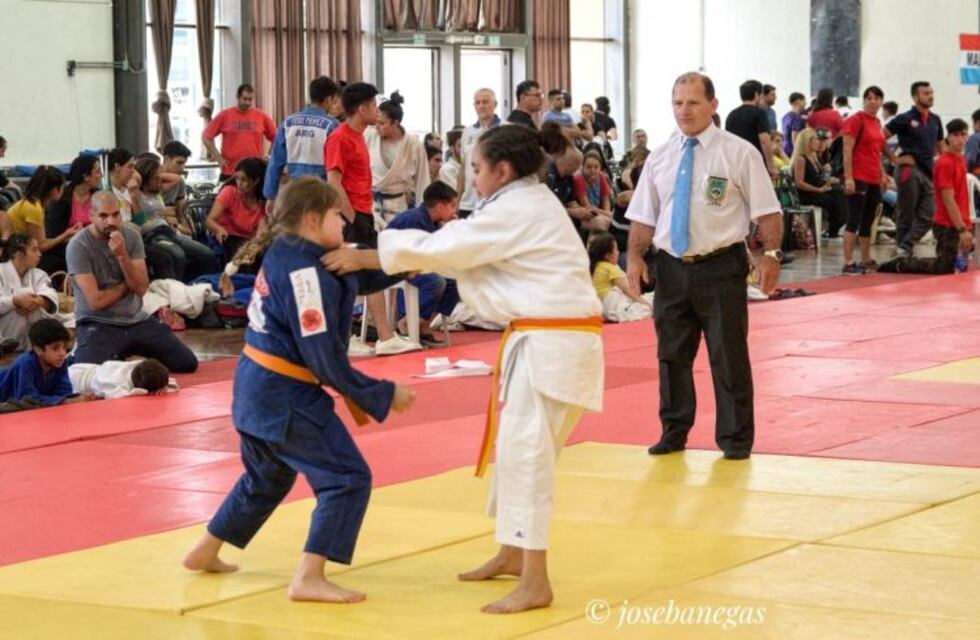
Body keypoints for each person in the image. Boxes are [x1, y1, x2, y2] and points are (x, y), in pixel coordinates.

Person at [323, 125, 604, 615]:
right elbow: (463, 252)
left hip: (553, 344)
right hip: (546, 340)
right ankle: (515, 553)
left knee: (527, 456)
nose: (472, 177)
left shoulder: (521, 207)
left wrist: (370, 255)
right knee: (519, 451)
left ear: (503, 169)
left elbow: (453, 248)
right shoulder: (519, 205)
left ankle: (536, 579)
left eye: (476, 168)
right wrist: (397, 258)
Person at [181, 176, 416, 604]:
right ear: (311, 218)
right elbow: (324, 360)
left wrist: (403, 264)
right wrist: (380, 393)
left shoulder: (291, 251)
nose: (345, 222)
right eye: (335, 215)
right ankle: (309, 575)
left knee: (266, 477)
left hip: (255, 387)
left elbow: (349, 275)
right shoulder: (307, 276)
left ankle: (206, 548)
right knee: (347, 477)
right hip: (284, 394)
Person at [626, 71, 782, 461]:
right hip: (671, 267)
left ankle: (735, 439)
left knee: (727, 354)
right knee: (671, 354)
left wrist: (771, 255)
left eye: (693, 102)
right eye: (678, 103)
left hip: (720, 265)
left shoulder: (738, 152)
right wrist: (633, 256)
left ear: (713, 105)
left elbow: (768, 211)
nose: (684, 110)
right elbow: (645, 215)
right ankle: (673, 430)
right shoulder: (660, 156)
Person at [326, 82, 419, 357]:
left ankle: (384, 336)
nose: (377, 112)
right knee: (352, 277)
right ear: (363, 108)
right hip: (348, 216)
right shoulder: (340, 136)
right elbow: (333, 181)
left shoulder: (360, 136)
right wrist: (351, 218)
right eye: (374, 106)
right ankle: (347, 337)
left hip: (364, 213)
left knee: (370, 276)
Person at [66, 191, 198, 373]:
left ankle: (125, 352)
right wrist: (126, 285)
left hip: (136, 319)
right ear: (91, 216)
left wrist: (122, 255)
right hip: (97, 322)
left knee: (187, 363)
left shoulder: (131, 236)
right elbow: (96, 302)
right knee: (88, 372)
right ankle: (84, 353)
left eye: (115, 214)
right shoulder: (78, 245)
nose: (110, 222)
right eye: (103, 216)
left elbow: (142, 288)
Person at [879, 120, 973, 275]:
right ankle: (902, 263)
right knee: (944, 268)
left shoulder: (961, 160)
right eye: (956, 135)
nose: (960, 140)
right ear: (947, 138)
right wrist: (961, 228)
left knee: (961, 266)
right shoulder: (944, 163)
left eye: (963, 135)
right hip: (946, 223)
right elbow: (948, 200)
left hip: (962, 220)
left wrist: (966, 225)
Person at [384, 181, 461, 344]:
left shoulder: (434, 222)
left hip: (418, 264)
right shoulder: (413, 218)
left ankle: (424, 323)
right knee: (436, 281)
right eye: (452, 206)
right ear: (440, 207)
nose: (455, 211)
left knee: (456, 280)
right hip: (397, 265)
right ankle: (405, 321)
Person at [883, 81, 945, 257]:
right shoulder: (905, 118)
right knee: (906, 213)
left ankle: (905, 245)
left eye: (931, 92)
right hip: (909, 170)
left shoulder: (935, 119)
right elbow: (879, 137)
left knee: (929, 213)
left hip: (928, 171)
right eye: (926, 93)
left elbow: (942, 147)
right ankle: (904, 251)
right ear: (916, 96)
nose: (930, 96)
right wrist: (894, 158)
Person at [135, 157, 219, 281]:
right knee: (178, 255)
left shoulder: (157, 192)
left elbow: (177, 178)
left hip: (169, 231)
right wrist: (142, 177)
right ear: (145, 178)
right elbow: (139, 220)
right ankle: (176, 290)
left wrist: (157, 173)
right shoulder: (136, 195)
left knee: (207, 254)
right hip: (152, 235)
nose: (159, 181)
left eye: (160, 177)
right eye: (155, 178)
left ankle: (196, 284)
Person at [262, 76, 341, 208]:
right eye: (334, 100)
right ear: (328, 99)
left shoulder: (288, 123)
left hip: (295, 192)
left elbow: (275, 162)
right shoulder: (332, 126)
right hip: (322, 193)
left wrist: (270, 195)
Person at [841, 86, 894, 274]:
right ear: (864, 100)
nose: (873, 101)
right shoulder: (855, 120)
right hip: (858, 176)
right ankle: (848, 262)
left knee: (868, 220)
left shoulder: (877, 122)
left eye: (877, 98)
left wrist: (883, 174)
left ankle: (865, 258)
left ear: (881, 102)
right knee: (853, 219)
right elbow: (847, 150)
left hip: (873, 177)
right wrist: (848, 178)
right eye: (869, 98)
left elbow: (876, 152)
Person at [0, 234, 71, 351]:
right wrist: (15, 301)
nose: (39, 254)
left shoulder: (39, 274)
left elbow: (49, 294)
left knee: (74, 318)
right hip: (6, 328)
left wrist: (37, 301)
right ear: (19, 254)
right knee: (24, 295)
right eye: (34, 250)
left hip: (31, 331)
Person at [366, 91, 430, 220]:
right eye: (376, 122)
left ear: (395, 123)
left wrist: (421, 214)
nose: (377, 127)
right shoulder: (369, 136)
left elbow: (422, 181)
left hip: (398, 206)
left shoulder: (413, 145)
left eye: (382, 123)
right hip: (371, 204)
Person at [202, 84, 277, 182]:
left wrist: (269, 156)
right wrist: (218, 157)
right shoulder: (225, 115)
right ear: (237, 97)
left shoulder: (261, 116)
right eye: (244, 99)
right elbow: (206, 137)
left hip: (254, 172)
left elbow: (276, 137)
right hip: (230, 172)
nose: (247, 102)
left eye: (250, 100)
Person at [42, 155, 101, 274]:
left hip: (96, 241)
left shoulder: (98, 196)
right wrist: (72, 235)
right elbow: (54, 236)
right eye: (97, 172)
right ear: (86, 177)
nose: (101, 175)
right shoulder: (63, 199)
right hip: (68, 246)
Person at [0, 318, 79, 406]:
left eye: (65, 347)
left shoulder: (60, 361)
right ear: (38, 349)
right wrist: (65, 401)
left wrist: (79, 398)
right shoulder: (25, 362)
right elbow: (28, 398)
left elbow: (64, 393)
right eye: (55, 348)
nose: (62, 353)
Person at [207, 157, 268, 263]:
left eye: (243, 179)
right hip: (229, 237)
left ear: (256, 180)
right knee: (245, 256)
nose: (239, 183)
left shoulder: (264, 201)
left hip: (251, 239)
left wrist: (257, 244)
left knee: (265, 254)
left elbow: (262, 230)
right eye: (237, 178)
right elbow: (209, 221)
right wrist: (218, 229)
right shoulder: (229, 192)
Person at [7, 166, 76, 260]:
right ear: (54, 190)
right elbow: (40, 246)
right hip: (16, 255)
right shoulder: (34, 208)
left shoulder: (31, 203)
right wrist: (65, 235)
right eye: (62, 187)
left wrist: (65, 237)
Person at [791, 128, 847, 239]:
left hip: (818, 190)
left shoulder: (815, 157)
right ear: (808, 141)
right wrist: (818, 190)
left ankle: (833, 230)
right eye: (816, 139)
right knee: (834, 202)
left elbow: (818, 177)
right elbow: (800, 183)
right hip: (807, 194)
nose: (819, 142)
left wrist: (828, 177)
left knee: (841, 193)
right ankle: (832, 232)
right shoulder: (801, 159)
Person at [588, 232, 651, 322]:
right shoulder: (609, 268)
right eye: (616, 250)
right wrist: (644, 303)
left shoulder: (595, 267)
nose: (618, 253)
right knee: (647, 308)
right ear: (608, 256)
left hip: (602, 308)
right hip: (612, 306)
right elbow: (627, 289)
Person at [459, 89, 502, 218]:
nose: (481, 106)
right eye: (477, 103)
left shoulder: (506, 129)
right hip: (468, 204)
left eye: (485, 102)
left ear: (495, 104)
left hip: (495, 202)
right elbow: (462, 170)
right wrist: (457, 200)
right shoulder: (467, 132)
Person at [725, 80, 778, 176]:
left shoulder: (731, 115)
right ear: (756, 94)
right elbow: (765, 140)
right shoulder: (759, 113)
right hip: (754, 162)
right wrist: (771, 166)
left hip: (735, 163)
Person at [68, 357, 170, 399]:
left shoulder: (135, 366)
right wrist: (146, 392)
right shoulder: (117, 387)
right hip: (74, 381)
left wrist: (164, 386)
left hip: (82, 368)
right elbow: (128, 397)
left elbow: (159, 372)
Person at [160, 141, 194, 235]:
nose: (182, 167)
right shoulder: (152, 179)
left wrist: (190, 233)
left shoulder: (180, 182)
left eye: (184, 163)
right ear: (166, 159)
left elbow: (181, 214)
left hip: (174, 227)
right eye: (179, 162)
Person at [106, 148, 145, 224]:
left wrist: (134, 196)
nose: (133, 171)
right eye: (130, 166)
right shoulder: (104, 190)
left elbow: (141, 222)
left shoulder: (130, 189)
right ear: (117, 167)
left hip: (132, 231)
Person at [573, 150, 613, 222]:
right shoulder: (579, 178)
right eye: (589, 167)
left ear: (600, 167)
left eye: (596, 167)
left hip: (600, 212)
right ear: (583, 167)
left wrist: (607, 213)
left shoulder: (601, 176)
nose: (592, 170)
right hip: (585, 215)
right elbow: (587, 206)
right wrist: (608, 215)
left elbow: (605, 200)